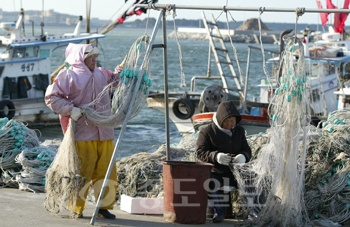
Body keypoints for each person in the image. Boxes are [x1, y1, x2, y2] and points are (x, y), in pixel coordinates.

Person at [45, 43, 122, 219]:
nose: (95, 59)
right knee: (82, 171)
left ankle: (103, 207)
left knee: (107, 170)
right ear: (80, 57)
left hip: (105, 131)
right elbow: (51, 98)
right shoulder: (67, 76)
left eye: (95, 56)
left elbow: (115, 82)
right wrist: (70, 110)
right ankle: (76, 207)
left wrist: (121, 72)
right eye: (91, 56)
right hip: (82, 133)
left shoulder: (102, 73)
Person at [196, 100, 252, 223]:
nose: (230, 124)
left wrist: (243, 156)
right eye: (226, 122)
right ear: (220, 120)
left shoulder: (239, 131)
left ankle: (253, 211)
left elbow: (247, 149)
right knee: (209, 180)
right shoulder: (207, 131)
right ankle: (218, 212)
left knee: (252, 178)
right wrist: (216, 156)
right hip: (216, 172)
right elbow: (200, 152)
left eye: (233, 121)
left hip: (235, 172)